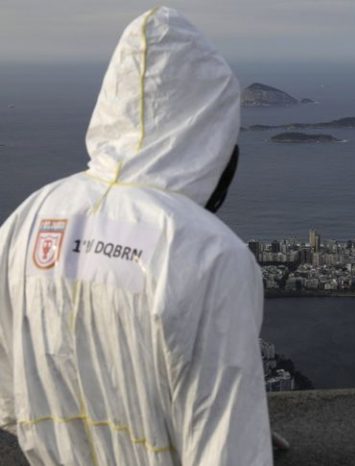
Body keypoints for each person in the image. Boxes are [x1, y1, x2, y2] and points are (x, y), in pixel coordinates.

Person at [0, 7, 273, 465]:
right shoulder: (209, 254)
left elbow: (10, 396)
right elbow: (228, 452)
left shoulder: (27, 217)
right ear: (210, 127)